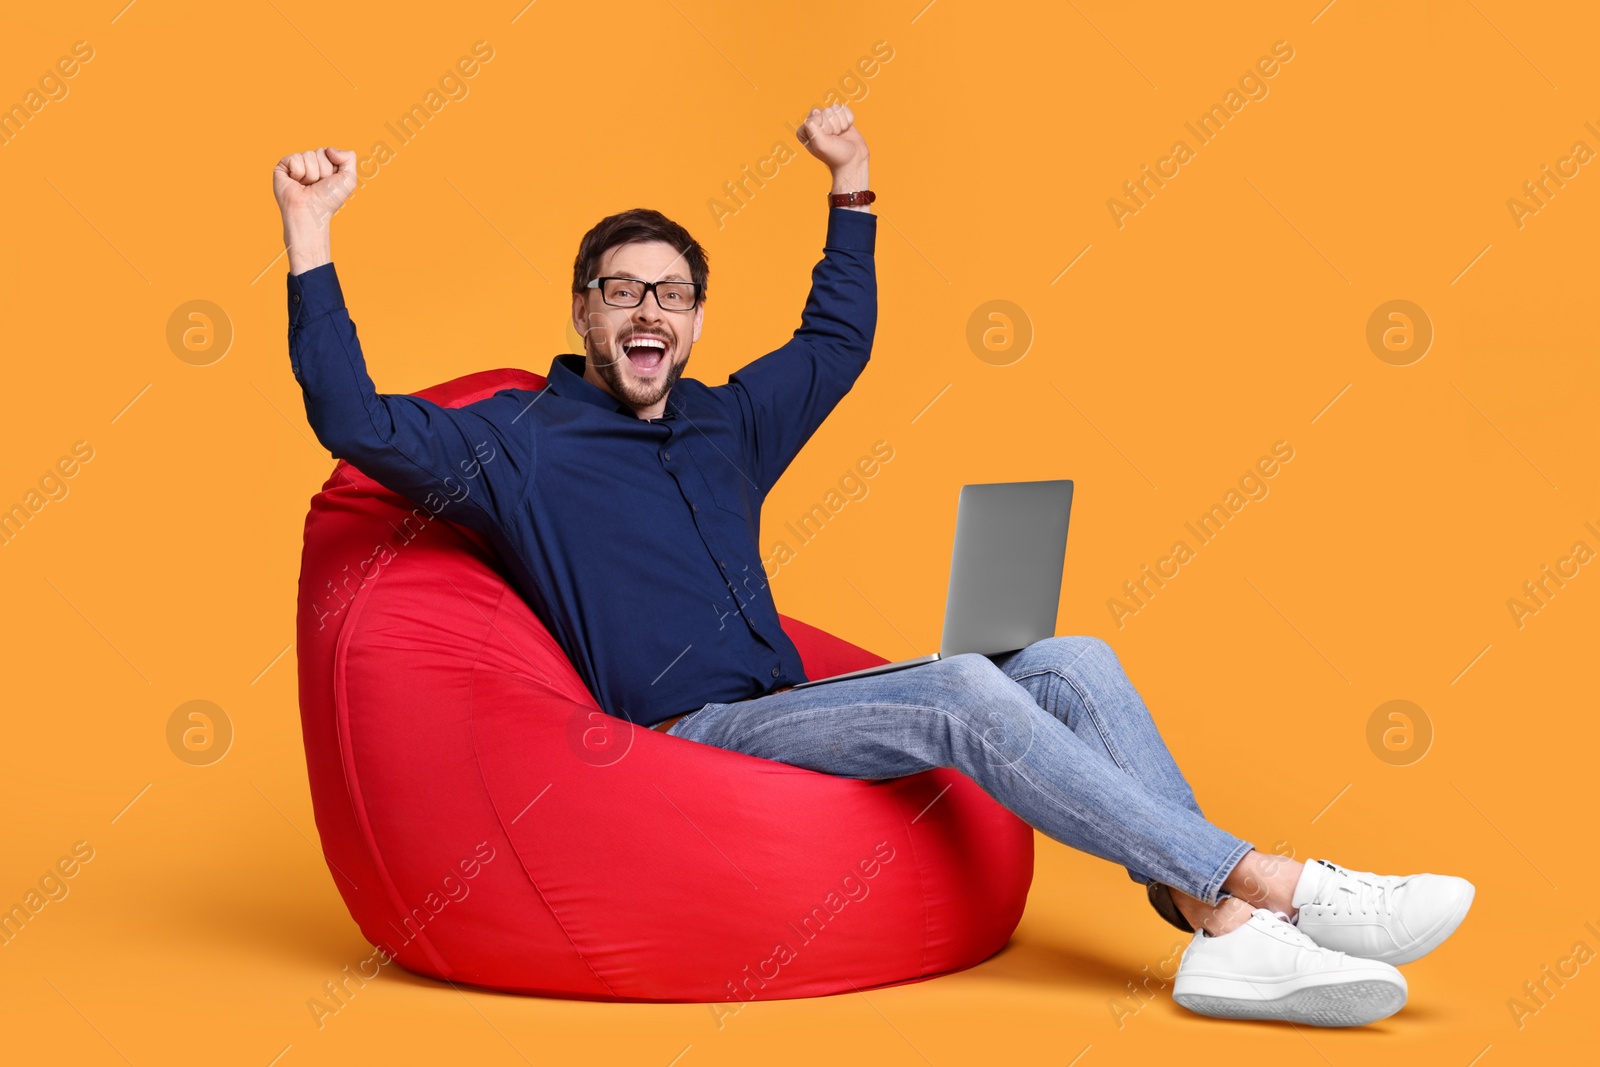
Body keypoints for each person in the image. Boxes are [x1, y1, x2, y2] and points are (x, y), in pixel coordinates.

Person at [273, 105, 1473, 1028]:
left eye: (675, 295)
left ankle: (1218, 925)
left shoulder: (726, 420)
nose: (651, 312)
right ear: (585, 310)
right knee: (961, 691)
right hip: (688, 732)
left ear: (694, 319)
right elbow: (349, 414)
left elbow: (837, 338)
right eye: (624, 291)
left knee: (1069, 657)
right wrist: (311, 231)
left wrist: (851, 185)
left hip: (789, 702)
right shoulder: (516, 443)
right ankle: (1275, 886)